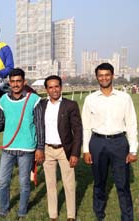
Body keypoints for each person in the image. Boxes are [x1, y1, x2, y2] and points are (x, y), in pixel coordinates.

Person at [0, 68, 44, 218]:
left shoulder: (33, 100)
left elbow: (39, 124)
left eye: (18, 81)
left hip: (27, 148)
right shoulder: (4, 100)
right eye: (12, 81)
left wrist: (40, 148)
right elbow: (0, 120)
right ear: (9, 83)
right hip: (8, 148)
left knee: (24, 183)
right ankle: (3, 210)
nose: (15, 84)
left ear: (24, 82)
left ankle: (22, 211)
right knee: (3, 182)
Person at [82, 63, 138, 221]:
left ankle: (127, 217)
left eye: (107, 75)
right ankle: (99, 213)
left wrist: (133, 149)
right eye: (101, 75)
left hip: (119, 142)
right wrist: (86, 149)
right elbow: (86, 126)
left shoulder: (124, 98)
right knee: (99, 182)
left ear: (113, 76)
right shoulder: (90, 99)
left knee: (123, 184)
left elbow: (132, 124)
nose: (104, 78)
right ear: (96, 77)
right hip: (97, 143)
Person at [38, 75, 82, 221]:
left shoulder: (70, 105)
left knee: (69, 184)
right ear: (46, 89)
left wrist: (75, 153)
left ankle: (71, 216)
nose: (54, 90)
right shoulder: (41, 105)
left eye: (56, 86)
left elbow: (78, 131)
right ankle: (53, 215)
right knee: (50, 185)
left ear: (61, 87)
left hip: (65, 149)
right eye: (50, 87)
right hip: (47, 149)